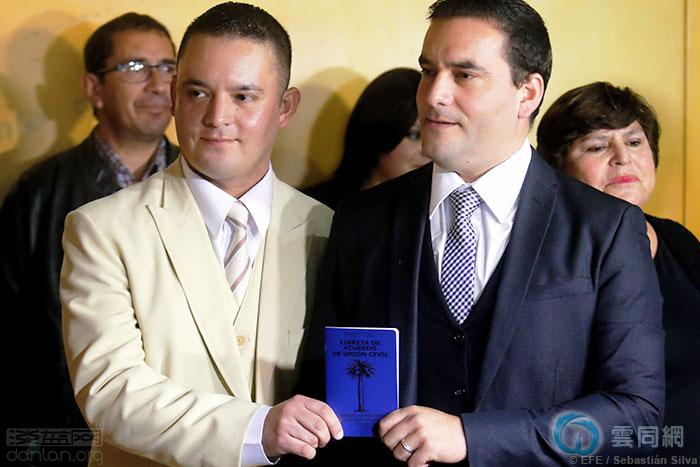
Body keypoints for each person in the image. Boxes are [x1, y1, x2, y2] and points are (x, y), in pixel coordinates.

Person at [294, 0, 664, 465]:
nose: (433, 95)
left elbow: (636, 415)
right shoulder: (361, 220)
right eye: (428, 71)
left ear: (527, 93)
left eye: (464, 75)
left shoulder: (606, 228)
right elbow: (322, 394)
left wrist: (475, 438)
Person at [60, 3, 341, 466]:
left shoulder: (328, 229)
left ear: (285, 107)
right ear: (174, 96)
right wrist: (257, 429)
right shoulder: (101, 228)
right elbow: (110, 392)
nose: (217, 116)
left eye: (244, 96)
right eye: (197, 92)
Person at [0, 12, 179, 460]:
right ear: (93, 88)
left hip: (179, 432)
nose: (159, 85)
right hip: (66, 435)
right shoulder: (38, 192)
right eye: (135, 68)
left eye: (168, 67)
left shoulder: (206, 183)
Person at [537, 81, 700, 457]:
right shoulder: (550, 260)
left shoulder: (677, 240)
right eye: (597, 146)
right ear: (558, 166)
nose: (622, 158)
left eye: (635, 141)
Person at [304, 68, 428, 209]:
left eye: (433, 135)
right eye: (414, 135)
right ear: (379, 131)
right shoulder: (313, 209)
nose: (428, 149)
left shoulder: (431, 212)